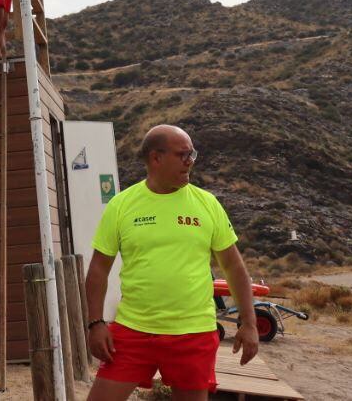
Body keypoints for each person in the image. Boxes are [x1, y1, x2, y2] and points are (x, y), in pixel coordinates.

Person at [84, 125, 258, 401]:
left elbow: (234, 267)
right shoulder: (121, 205)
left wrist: (249, 323)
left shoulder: (207, 203)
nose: (190, 162)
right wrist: (95, 323)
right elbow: (98, 268)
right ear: (156, 158)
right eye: (183, 155)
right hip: (133, 330)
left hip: (193, 333)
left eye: (192, 155)